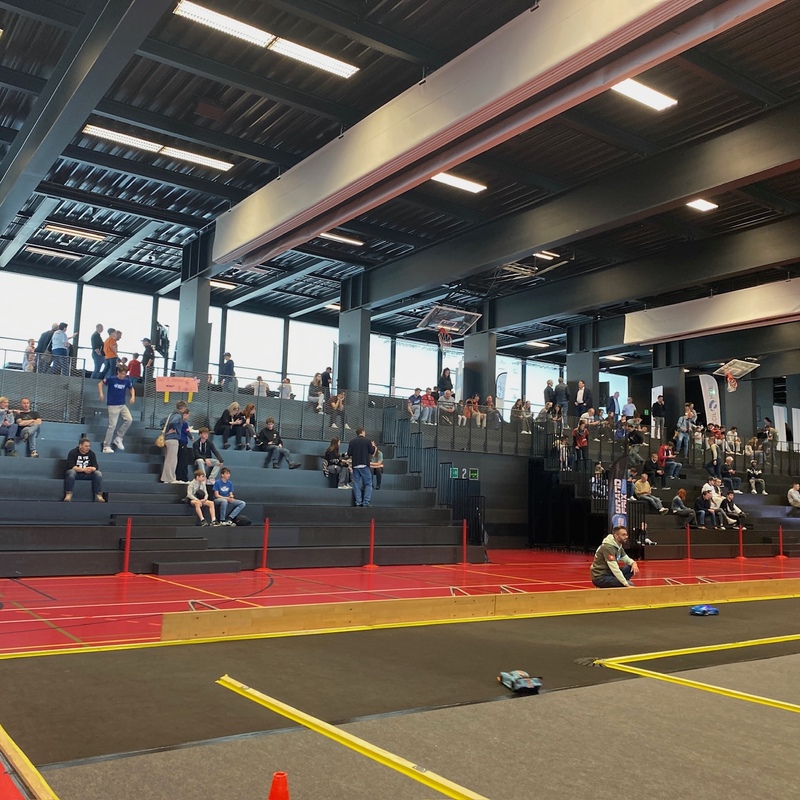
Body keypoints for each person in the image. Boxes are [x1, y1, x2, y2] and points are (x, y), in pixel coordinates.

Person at [98, 364, 135, 454]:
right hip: (113, 405)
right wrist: (101, 393)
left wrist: (133, 396)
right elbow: (100, 384)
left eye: (124, 374)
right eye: (121, 374)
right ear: (118, 372)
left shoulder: (126, 380)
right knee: (112, 426)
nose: (123, 376)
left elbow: (131, 388)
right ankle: (106, 445)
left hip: (122, 405)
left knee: (129, 419)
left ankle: (119, 437)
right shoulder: (111, 379)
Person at [63, 438, 104, 502]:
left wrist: (92, 469)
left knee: (98, 473)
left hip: (88, 474)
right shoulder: (73, 452)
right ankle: (68, 494)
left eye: (89, 446)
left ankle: (98, 495)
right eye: (86, 446)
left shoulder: (91, 454)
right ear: (80, 445)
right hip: (76, 473)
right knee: (71, 472)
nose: (88, 448)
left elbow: (95, 465)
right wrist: (83, 470)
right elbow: (70, 466)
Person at [347, 428, 376, 508]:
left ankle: (358, 502)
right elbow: (372, 451)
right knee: (368, 483)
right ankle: (366, 502)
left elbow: (349, 453)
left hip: (355, 465)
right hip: (364, 464)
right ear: (363, 432)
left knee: (356, 484)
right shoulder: (367, 441)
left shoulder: (352, 441)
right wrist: (373, 446)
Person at [160, 401, 187, 484]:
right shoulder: (178, 416)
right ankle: (171, 478)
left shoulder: (171, 415)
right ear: (183, 408)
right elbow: (173, 422)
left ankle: (166, 478)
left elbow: (162, 422)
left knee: (168, 459)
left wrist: (167, 430)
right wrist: (173, 429)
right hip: (173, 439)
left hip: (167, 439)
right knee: (172, 460)